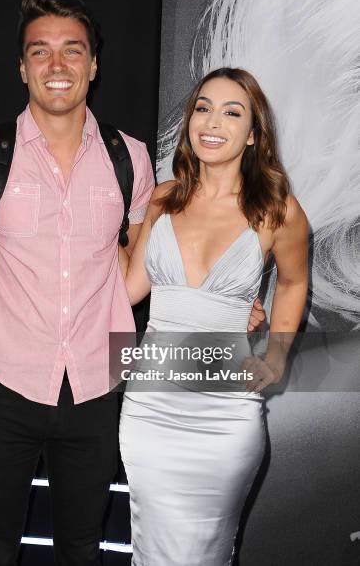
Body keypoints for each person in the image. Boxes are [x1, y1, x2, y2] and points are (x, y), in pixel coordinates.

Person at [0, 0, 155, 566]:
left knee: (82, 549)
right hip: (5, 386)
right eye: (41, 52)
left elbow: (143, 269)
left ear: (94, 64)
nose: (57, 66)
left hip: (100, 384)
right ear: (22, 66)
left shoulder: (131, 159)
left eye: (72, 51)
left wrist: (225, 306)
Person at [118, 68, 308, 565]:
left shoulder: (276, 210)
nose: (212, 122)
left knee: (205, 552)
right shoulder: (162, 198)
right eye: (203, 107)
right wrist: (94, 229)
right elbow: (129, 288)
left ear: (253, 134)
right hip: (150, 411)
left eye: (232, 112)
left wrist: (279, 355)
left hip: (225, 417)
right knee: (152, 549)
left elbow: (293, 281)